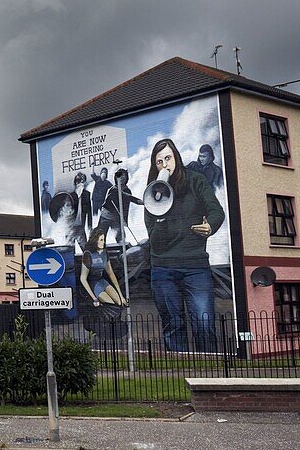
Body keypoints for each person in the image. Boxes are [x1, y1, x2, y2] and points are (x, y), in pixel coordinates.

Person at [144, 138, 225, 353]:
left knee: (204, 323)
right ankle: (179, 375)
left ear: (176, 158)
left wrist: (210, 227)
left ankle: (210, 375)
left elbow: (216, 211)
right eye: (159, 161)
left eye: (168, 158)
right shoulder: (153, 192)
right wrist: (160, 210)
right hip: (162, 269)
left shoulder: (195, 180)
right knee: (173, 324)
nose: (164, 165)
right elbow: (154, 240)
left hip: (195, 267)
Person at [80, 228, 126, 307]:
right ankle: (112, 319)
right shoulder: (88, 254)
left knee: (119, 302)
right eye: (101, 240)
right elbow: (83, 278)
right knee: (110, 304)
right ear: (95, 240)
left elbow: (110, 273)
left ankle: (117, 318)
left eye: (104, 240)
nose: (103, 242)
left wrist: (121, 295)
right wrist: (94, 298)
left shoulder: (104, 252)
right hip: (93, 284)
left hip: (102, 281)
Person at [96, 168, 142, 246]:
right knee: (100, 238)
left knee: (121, 238)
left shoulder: (127, 191)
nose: (122, 179)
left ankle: (124, 255)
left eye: (124, 177)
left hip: (116, 218)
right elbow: (109, 200)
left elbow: (127, 204)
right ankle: (101, 255)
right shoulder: (113, 189)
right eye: (120, 177)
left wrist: (124, 220)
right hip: (105, 216)